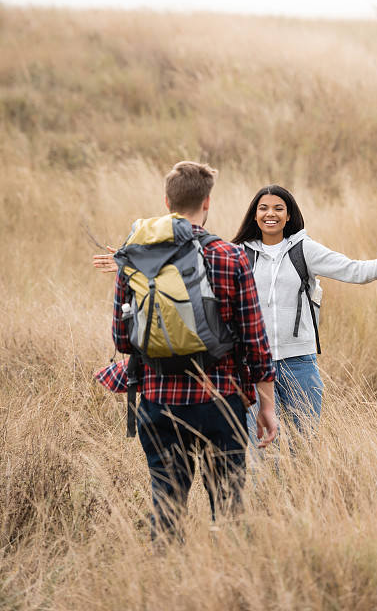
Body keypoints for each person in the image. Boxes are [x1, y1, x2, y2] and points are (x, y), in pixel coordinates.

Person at [93, 161, 277, 538]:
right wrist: (267, 405)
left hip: (159, 400)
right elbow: (255, 341)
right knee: (228, 506)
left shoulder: (136, 257)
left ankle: (166, 577)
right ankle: (226, 577)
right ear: (207, 202)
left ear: (166, 201)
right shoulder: (231, 256)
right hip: (220, 400)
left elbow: (121, 338)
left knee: (167, 504)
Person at [231, 185, 377, 443]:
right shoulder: (239, 254)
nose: (270, 214)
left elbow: (354, 270)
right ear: (254, 215)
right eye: (263, 208)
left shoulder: (304, 250)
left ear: (289, 216)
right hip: (253, 364)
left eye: (278, 208)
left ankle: (303, 486)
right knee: (262, 449)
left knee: (304, 447)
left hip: (299, 362)